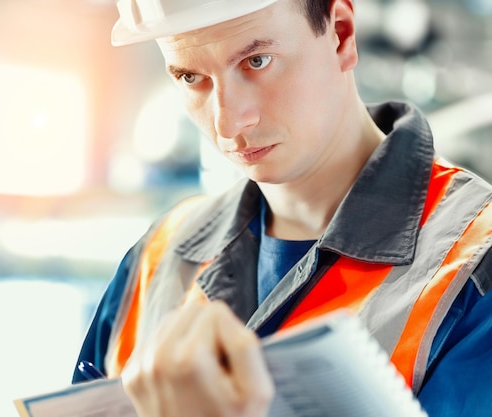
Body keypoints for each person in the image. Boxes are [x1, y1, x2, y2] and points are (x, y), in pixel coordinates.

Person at [72, 0, 492, 416]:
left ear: (340, 34)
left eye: (257, 61)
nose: (228, 123)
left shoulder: (476, 261)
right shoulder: (158, 256)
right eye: (190, 76)